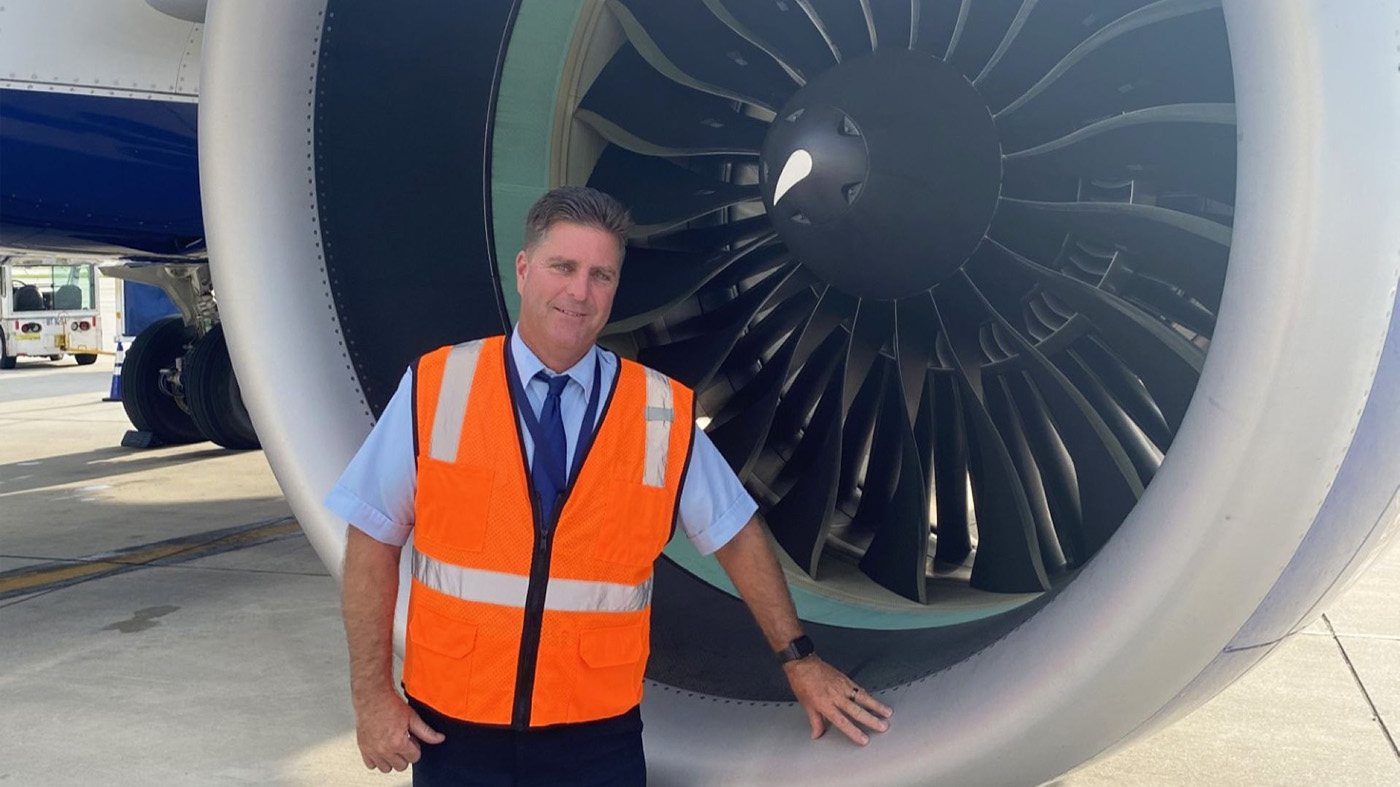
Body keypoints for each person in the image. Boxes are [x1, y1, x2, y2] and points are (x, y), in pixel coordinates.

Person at [327, 186, 893, 785]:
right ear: (524, 270)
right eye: (563, 267)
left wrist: (798, 660)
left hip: (595, 738)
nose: (579, 292)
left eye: (601, 275)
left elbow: (737, 532)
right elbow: (372, 537)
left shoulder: (658, 411)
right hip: (455, 732)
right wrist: (371, 694)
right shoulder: (438, 385)